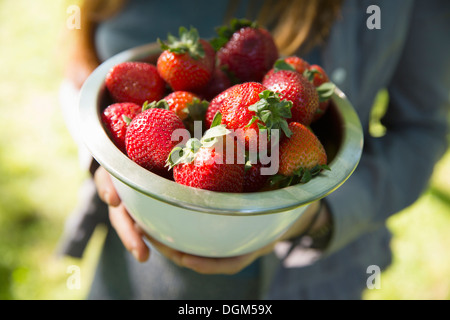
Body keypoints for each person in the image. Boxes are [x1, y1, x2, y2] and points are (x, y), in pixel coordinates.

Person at [59, 0, 450, 299]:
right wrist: (102, 162)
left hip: (315, 280)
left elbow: (423, 129)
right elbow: (86, 74)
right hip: (140, 271)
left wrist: (311, 214)